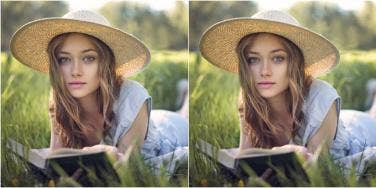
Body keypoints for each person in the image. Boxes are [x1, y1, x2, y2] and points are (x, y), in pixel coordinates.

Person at [10, 10, 188, 176]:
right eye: (64, 59)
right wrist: (92, 152)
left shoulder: (133, 95)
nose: (75, 71)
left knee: (184, 116)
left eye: (89, 58)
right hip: (148, 121)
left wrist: (88, 154)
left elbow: (126, 168)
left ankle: (187, 95)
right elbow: (56, 154)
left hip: (170, 130)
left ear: (106, 62)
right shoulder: (60, 98)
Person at [199, 10, 376, 176]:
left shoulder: (322, 96)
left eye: (278, 58)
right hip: (337, 120)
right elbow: (245, 154)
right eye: (253, 60)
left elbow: (315, 169)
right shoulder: (249, 97)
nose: (264, 71)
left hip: (360, 129)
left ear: (295, 62)